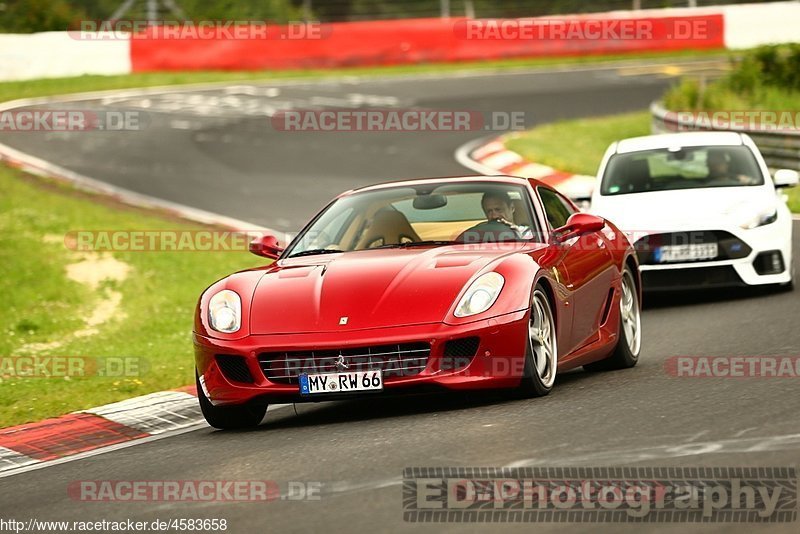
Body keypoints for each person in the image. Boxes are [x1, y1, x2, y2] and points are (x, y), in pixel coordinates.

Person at [461, 190, 533, 241]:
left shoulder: (528, 232)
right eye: (489, 211)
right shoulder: (478, 233)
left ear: (512, 208)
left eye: (498, 209)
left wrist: (517, 234)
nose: (494, 216)